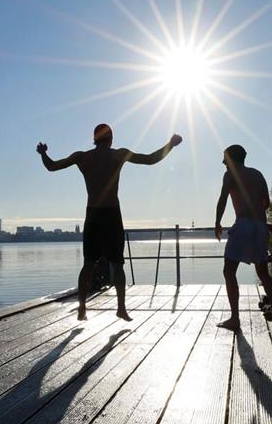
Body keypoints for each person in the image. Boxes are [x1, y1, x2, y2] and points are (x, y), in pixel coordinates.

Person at [37, 124, 182, 321]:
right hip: (112, 214)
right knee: (117, 263)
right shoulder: (118, 155)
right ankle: (121, 308)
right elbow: (150, 160)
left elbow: (51, 166)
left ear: (94, 138)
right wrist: (171, 144)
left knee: (88, 264)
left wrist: (43, 153)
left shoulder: (82, 157)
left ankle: (82, 308)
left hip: (93, 215)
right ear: (111, 138)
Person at [214, 144, 272, 329]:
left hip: (244, 224)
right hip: (260, 226)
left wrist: (217, 222)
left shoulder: (230, 174)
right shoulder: (257, 174)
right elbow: (266, 203)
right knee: (263, 273)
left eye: (225, 158)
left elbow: (223, 199)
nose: (223, 162)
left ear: (231, 158)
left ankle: (235, 319)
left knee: (229, 271)